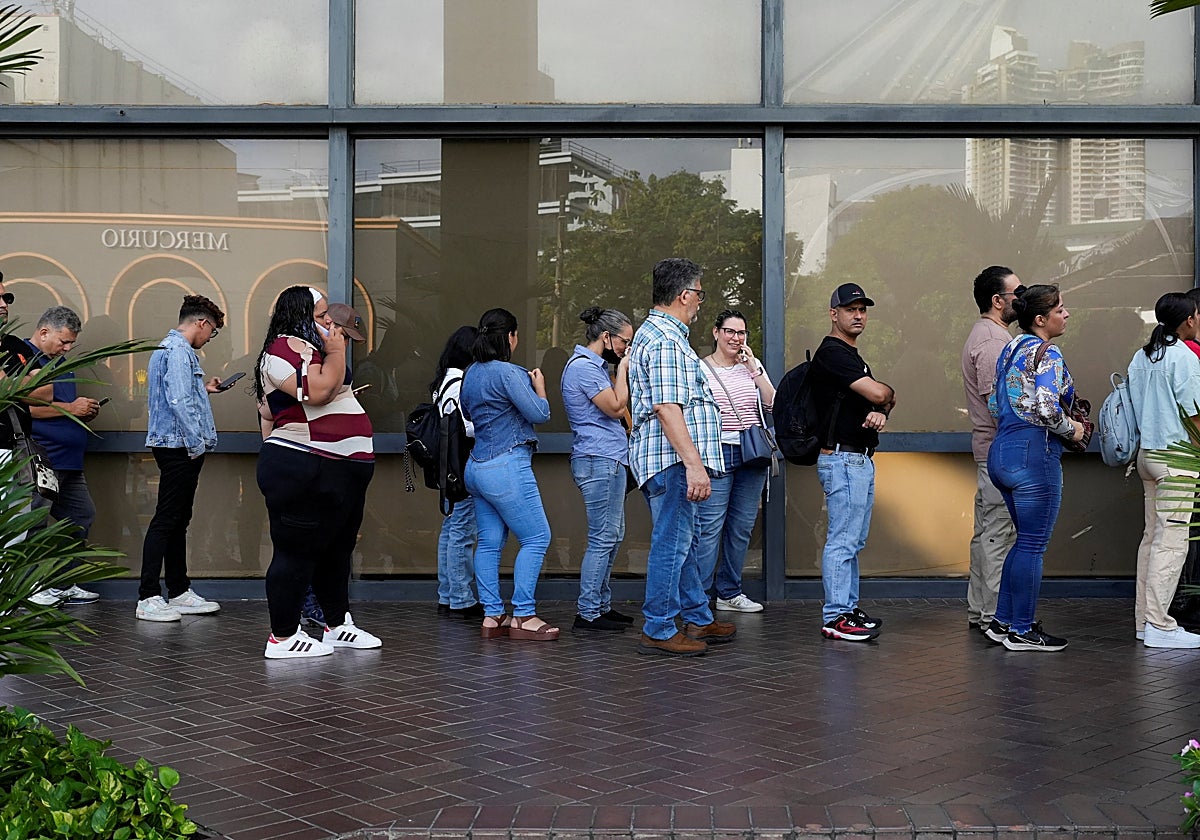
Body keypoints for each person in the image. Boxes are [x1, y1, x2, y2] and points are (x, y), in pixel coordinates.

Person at [255, 287, 382, 659]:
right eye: (321, 314)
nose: (329, 321)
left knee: (337, 553)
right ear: (298, 314)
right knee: (295, 553)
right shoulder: (283, 348)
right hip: (307, 465)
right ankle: (282, 635)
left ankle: (336, 624)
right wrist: (337, 349)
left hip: (340, 470)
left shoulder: (312, 351)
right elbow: (319, 390)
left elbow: (267, 410)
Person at [627, 257, 735, 657]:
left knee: (683, 542)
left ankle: (697, 617)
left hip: (665, 458)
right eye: (699, 295)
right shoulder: (668, 340)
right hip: (672, 460)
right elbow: (668, 407)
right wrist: (693, 465)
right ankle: (658, 625)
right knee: (672, 542)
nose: (700, 304)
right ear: (684, 295)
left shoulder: (654, 335)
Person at [986, 284, 1087, 652]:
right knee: (1033, 544)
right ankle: (1023, 630)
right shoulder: (1050, 353)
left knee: (1022, 542)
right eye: (1060, 308)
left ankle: (1003, 622)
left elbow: (995, 406)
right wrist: (1072, 429)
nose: (1067, 314)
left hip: (1002, 451)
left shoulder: (1010, 349)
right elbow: (1047, 408)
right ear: (1041, 319)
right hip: (1034, 453)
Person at [460, 308, 557, 641]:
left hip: (477, 466)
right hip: (506, 465)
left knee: (489, 543)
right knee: (536, 537)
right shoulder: (509, 373)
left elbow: (470, 414)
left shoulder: (470, 373)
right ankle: (524, 615)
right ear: (510, 337)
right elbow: (539, 413)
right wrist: (540, 387)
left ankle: (492, 615)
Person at [136, 295, 230, 623]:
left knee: (177, 520)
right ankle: (148, 595)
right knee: (167, 519)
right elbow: (177, 400)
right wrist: (196, 444)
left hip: (176, 443)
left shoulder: (172, 349)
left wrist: (204, 389)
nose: (209, 338)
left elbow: (178, 394)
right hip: (179, 446)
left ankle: (178, 591)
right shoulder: (178, 350)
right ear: (201, 322)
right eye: (212, 331)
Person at [810, 284, 895, 642]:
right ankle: (836, 616)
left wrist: (880, 409)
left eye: (862, 309)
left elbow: (879, 401)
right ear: (834, 314)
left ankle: (847, 608)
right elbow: (880, 393)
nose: (858, 315)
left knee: (853, 541)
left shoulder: (852, 357)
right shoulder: (833, 353)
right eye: (850, 309)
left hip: (857, 458)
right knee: (842, 541)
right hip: (842, 459)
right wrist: (884, 398)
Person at [1125, 292, 1200, 649]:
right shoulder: (1184, 358)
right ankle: (1159, 625)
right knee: (1171, 542)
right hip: (1178, 460)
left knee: (1152, 539)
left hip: (1147, 456)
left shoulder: (1142, 356)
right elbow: (1196, 414)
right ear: (1189, 320)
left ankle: (1145, 622)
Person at [561, 307, 636, 632]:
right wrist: (624, 368)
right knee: (602, 537)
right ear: (606, 337)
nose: (625, 348)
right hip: (597, 460)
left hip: (609, 459)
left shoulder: (595, 367)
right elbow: (617, 406)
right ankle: (589, 612)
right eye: (624, 342)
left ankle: (601, 605)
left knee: (613, 535)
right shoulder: (583, 368)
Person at [696, 309, 776, 614]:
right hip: (716, 453)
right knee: (709, 528)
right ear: (716, 333)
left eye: (741, 333)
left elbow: (773, 404)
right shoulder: (700, 369)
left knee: (741, 527)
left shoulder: (752, 367)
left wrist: (754, 369)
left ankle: (729, 592)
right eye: (730, 331)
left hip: (752, 454)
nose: (736, 338)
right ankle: (699, 598)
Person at [26, 307, 103, 606]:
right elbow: (23, 408)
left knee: (80, 516)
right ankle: (30, 587)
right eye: (64, 341)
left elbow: (63, 405)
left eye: (71, 343)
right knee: (34, 521)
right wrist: (71, 409)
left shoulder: (60, 363)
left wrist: (83, 410)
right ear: (44, 332)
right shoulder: (24, 359)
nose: (67, 348)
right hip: (43, 457)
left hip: (70, 461)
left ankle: (64, 583)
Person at [961, 266, 1020, 635]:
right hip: (998, 453)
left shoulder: (992, 336)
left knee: (988, 534)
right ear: (998, 301)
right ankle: (993, 617)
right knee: (998, 536)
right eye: (1018, 292)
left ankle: (980, 611)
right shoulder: (992, 342)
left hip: (991, 452)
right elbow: (997, 404)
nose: (1024, 298)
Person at [432, 325, 483, 619]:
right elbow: (466, 426)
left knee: (451, 530)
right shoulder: (460, 383)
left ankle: (448, 595)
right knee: (462, 532)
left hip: (450, 466)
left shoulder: (445, 380)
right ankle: (461, 599)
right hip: (462, 466)